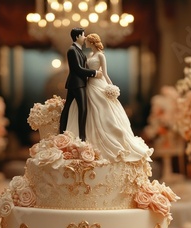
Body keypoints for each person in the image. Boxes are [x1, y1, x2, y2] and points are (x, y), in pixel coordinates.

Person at [66, 33, 153, 162]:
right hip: (89, 84)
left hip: (98, 84)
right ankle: (85, 138)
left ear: (92, 42)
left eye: (88, 41)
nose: (86, 43)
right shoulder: (89, 55)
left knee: (103, 109)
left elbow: (105, 73)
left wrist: (111, 87)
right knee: (87, 109)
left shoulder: (101, 55)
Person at [59, 27, 102, 141]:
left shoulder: (78, 50)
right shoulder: (72, 50)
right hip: (76, 83)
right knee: (82, 108)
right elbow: (77, 69)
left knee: (68, 107)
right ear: (77, 37)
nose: (85, 38)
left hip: (78, 82)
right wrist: (94, 72)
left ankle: (64, 131)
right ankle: (82, 136)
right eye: (83, 35)